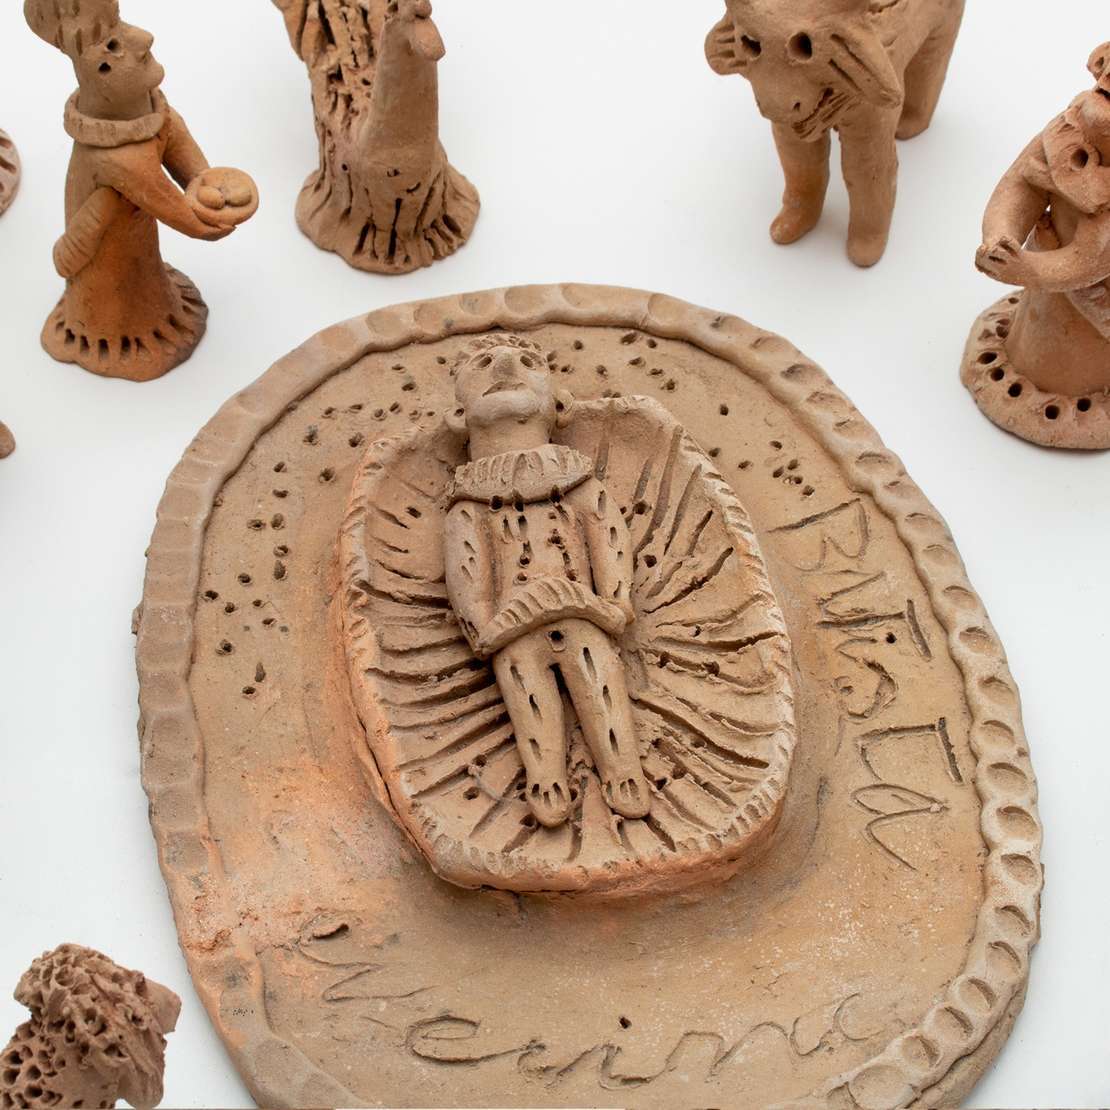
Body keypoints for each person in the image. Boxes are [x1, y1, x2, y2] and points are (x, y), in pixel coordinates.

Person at [444, 336, 651, 829]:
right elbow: (466, 570)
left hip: (582, 611)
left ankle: (623, 769)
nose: (505, 364)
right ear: (458, 416)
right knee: (524, 680)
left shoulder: (578, 482)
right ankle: (545, 777)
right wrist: (485, 628)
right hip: (514, 628)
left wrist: (612, 605)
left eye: (529, 361)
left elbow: (609, 541)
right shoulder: (469, 503)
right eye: (483, 363)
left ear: (560, 405)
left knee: (597, 673)